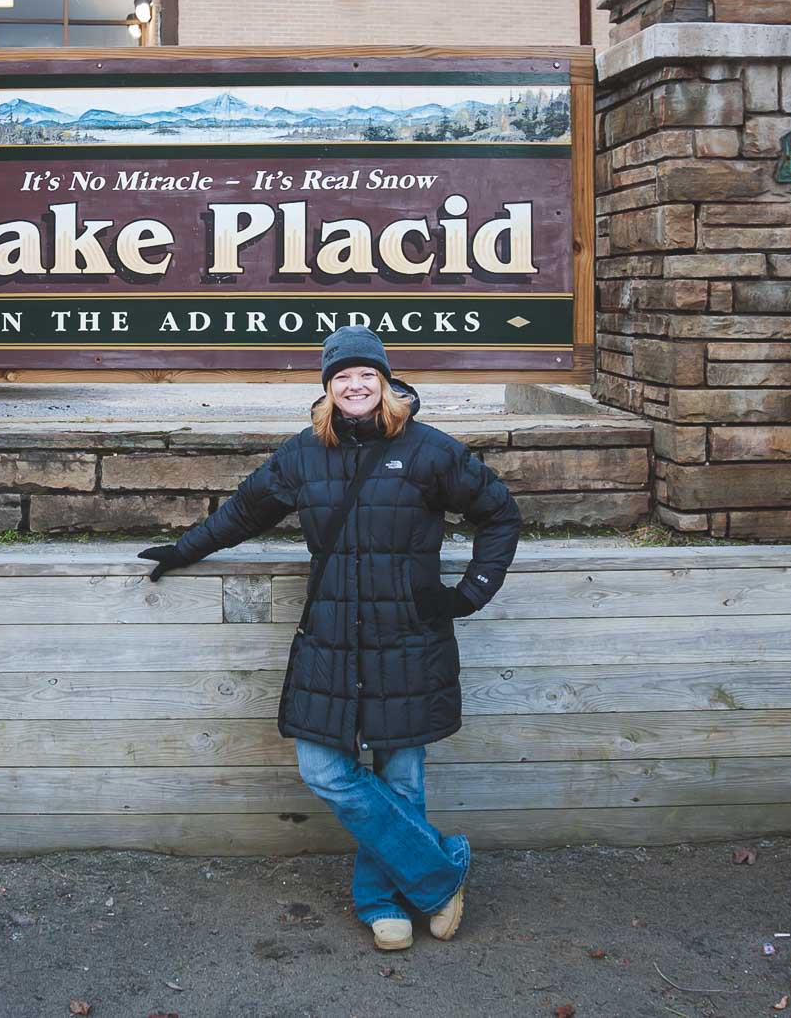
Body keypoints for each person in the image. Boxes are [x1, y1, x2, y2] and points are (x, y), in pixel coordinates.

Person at [137, 325, 522, 952]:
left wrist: (470, 593)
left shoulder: (430, 452)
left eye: (366, 374)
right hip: (331, 639)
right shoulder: (302, 455)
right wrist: (184, 550)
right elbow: (243, 513)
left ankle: (379, 902)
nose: (355, 384)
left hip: (409, 639)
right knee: (325, 770)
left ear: (387, 381)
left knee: (401, 777)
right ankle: (439, 874)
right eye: (342, 376)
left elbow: (500, 514)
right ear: (327, 388)